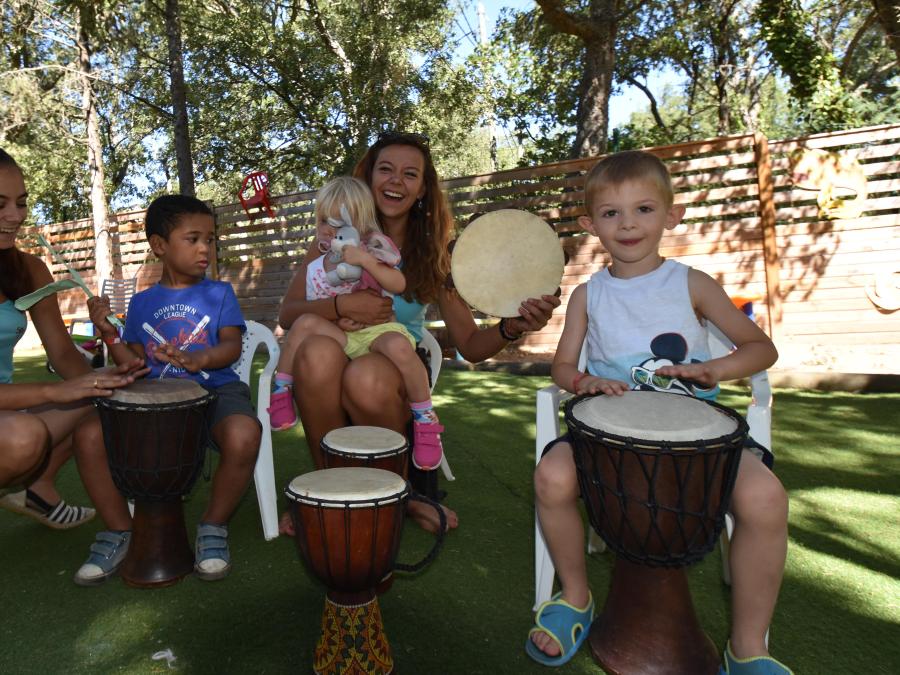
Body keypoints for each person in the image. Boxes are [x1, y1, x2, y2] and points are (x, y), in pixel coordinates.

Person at [526, 150, 790, 674]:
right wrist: (582, 381)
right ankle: (576, 596)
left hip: (698, 440)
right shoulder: (587, 296)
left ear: (672, 216)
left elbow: (762, 349)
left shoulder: (693, 283)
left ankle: (747, 647)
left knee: (766, 498)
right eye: (611, 213)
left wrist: (714, 368)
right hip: (606, 437)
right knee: (551, 478)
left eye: (643, 209)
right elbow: (561, 367)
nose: (627, 224)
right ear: (590, 224)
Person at [277, 131, 561, 535]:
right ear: (368, 177)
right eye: (386, 170)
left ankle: (400, 493)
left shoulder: (435, 253)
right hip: (335, 345)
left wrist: (512, 326)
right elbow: (289, 313)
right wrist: (341, 306)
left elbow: (471, 346)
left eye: (410, 174)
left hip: (395, 359)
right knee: (316, 355)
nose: (396, 181)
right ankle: (328, 492)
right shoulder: (337, 234)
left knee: (366, 377)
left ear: (423, 189)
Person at [74, 194, 261, 585]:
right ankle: (119, 530)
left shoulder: (220, 294)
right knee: (89, 434)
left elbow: (231, 347)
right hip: (154, 403)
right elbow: (133, 362)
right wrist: (109, 335)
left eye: (209, 240)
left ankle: (213, 526)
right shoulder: (142, 303)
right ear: (159, 245)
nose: (205, 249)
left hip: (216, 391)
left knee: (245, 433)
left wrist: (199, 358)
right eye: (193, 239)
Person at [0, 147, 144, 526]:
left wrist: (101, 381)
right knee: (23, 436)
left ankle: (38, 489)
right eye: (0, 204)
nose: (15, 216)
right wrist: (54, 392)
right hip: (11, 426)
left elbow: (63, 354)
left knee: (105, 391)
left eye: (21, 203)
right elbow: (55, 390)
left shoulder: (29, 269)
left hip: (5, 414)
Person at [267, 176, 445, 470]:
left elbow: (398, 284)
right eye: (323, 221)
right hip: (341, 336)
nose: (329, 230)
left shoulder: (373, 248)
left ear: (362, 224)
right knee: (305, 324)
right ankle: (282, 390)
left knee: (400, 346)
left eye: (338, 224)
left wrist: (365, 260)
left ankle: (425, 419)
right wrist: (338, 311)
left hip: (378, 332)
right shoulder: (321, 258)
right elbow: (289, 315)